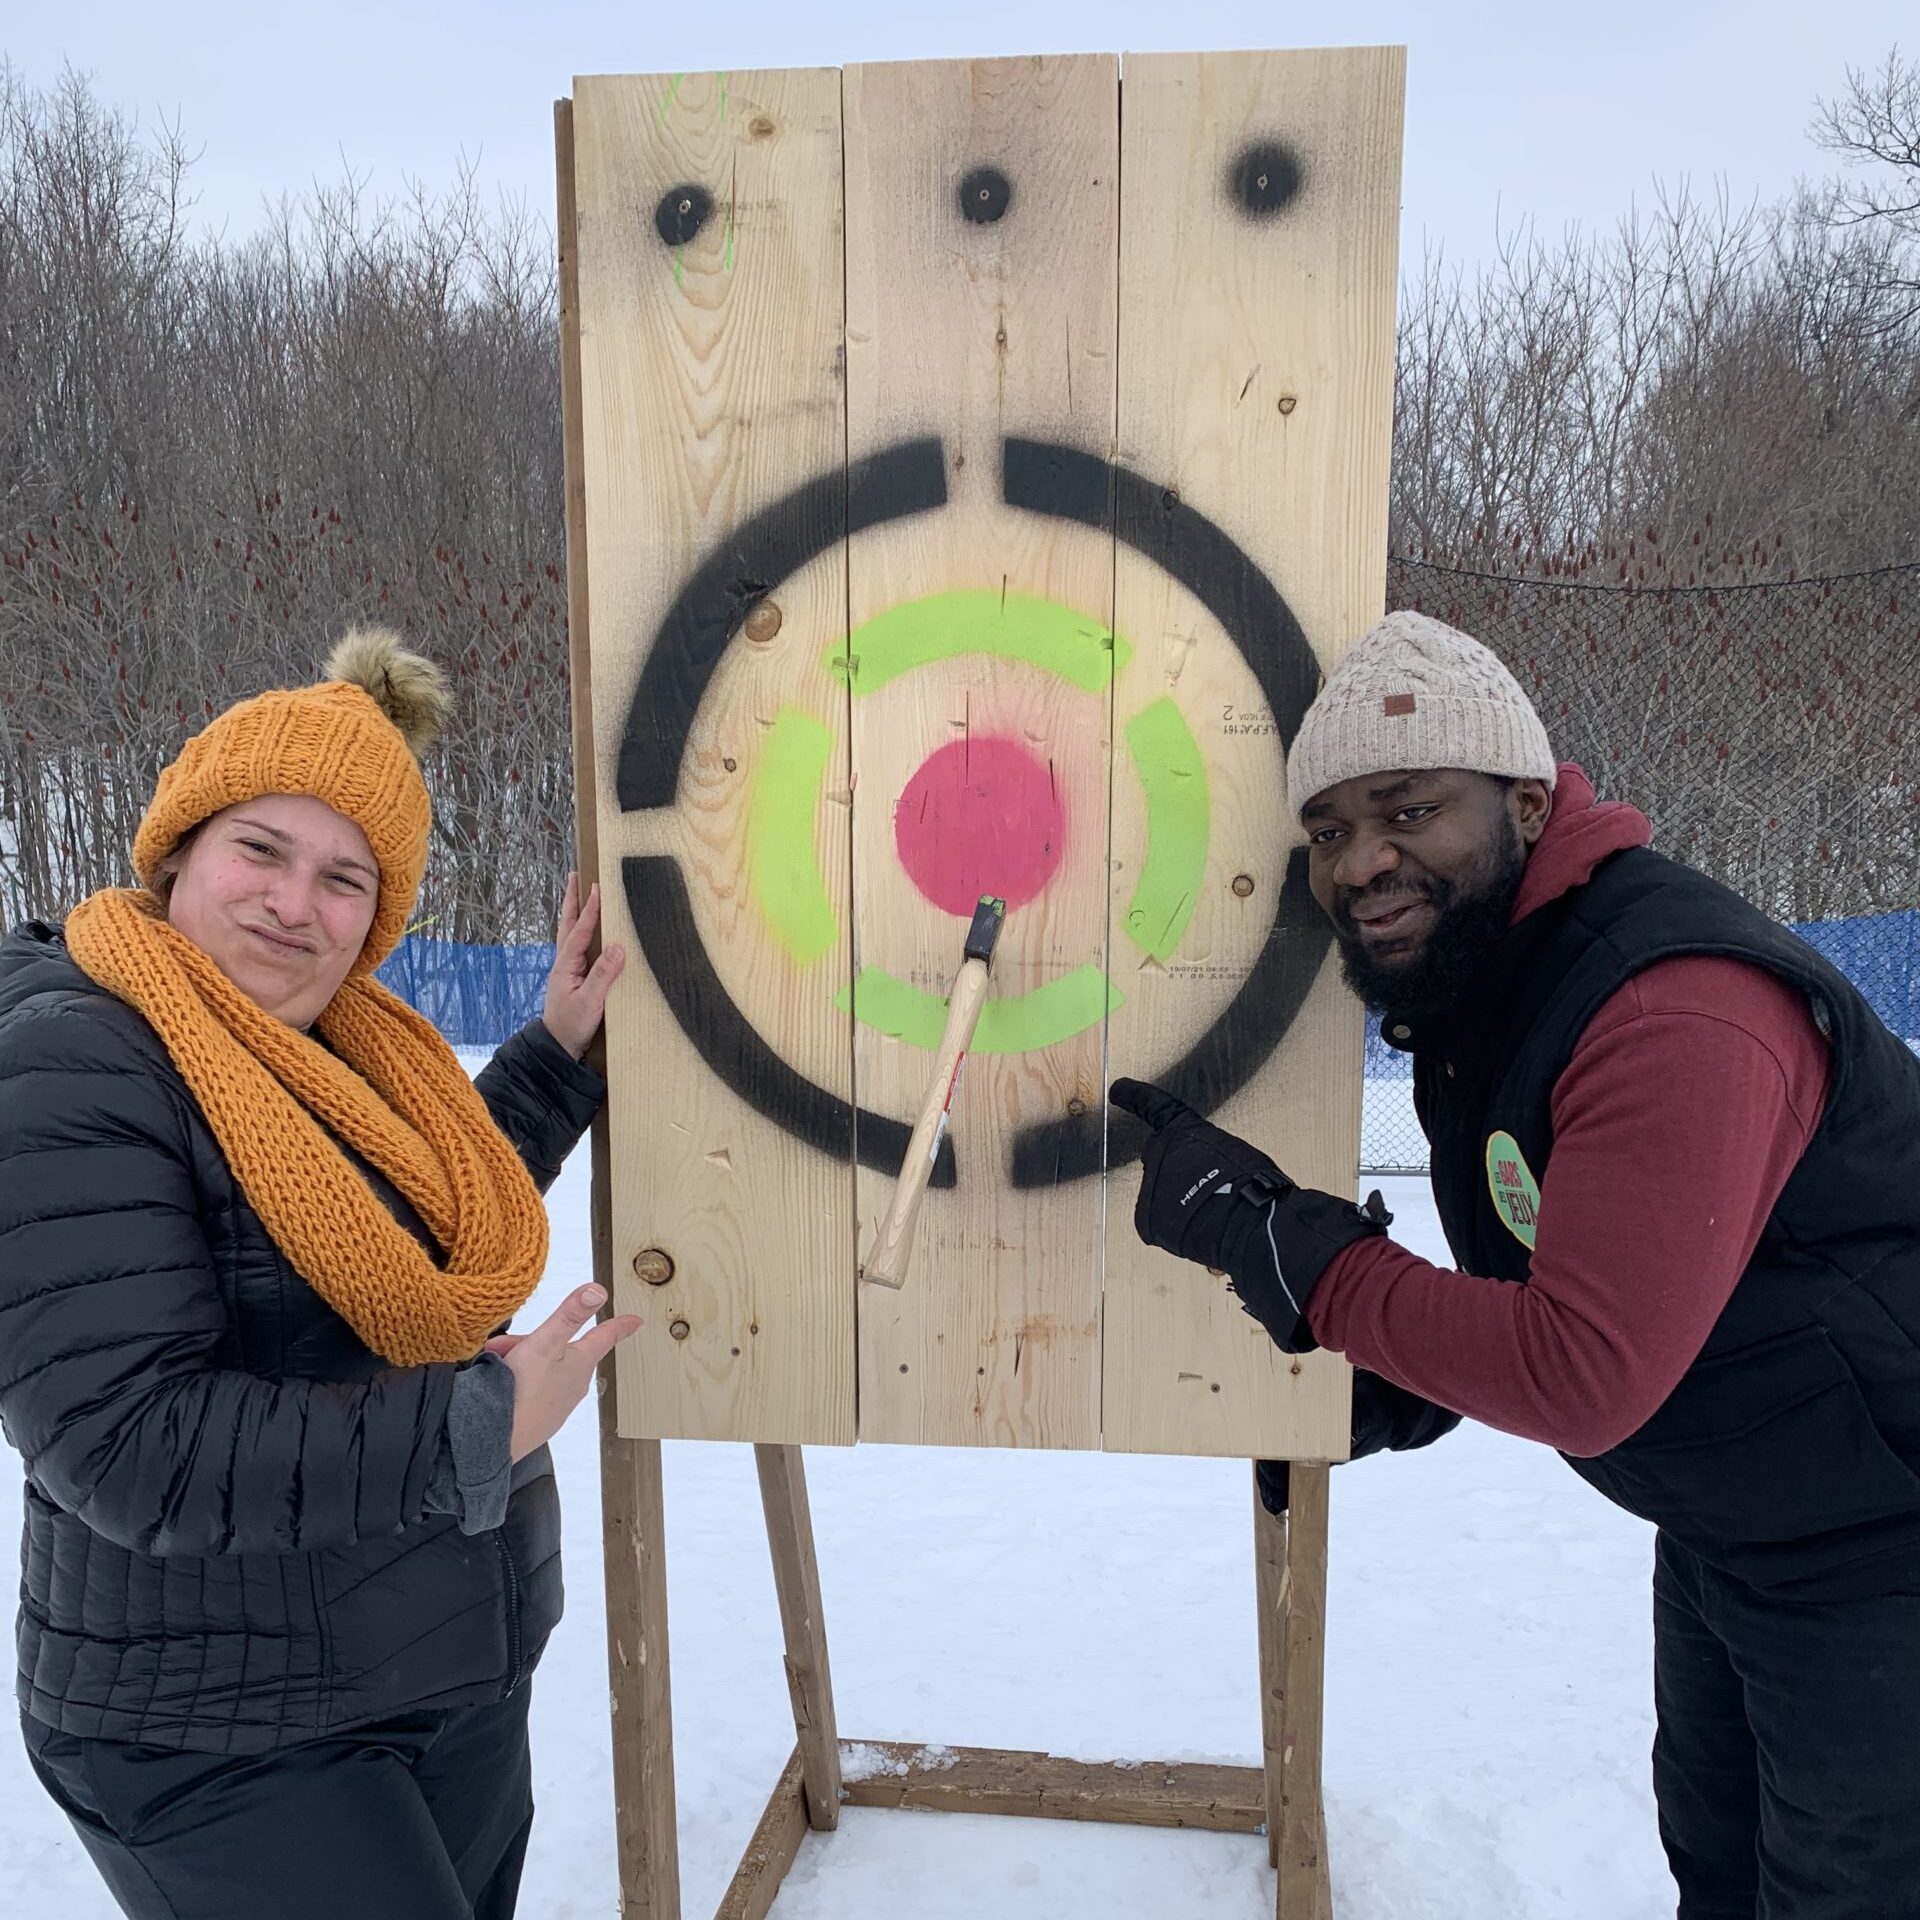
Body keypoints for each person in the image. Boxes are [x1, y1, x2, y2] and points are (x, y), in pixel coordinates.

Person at [1111, 610, 1920, 1920]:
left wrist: (1295, 1250)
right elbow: (1592, 1275)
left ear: (1527, 802)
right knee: (1719, 1870)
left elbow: (1586, 1371)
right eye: (1328, 830)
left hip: (1878, 1556)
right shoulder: (1499, 979)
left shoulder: (1669, 1007)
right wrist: (1410, 1378)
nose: (1363, 859)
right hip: (1745, 1517)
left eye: (1409, 809)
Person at [0, 628, 643, 1920]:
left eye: (345, 879)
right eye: (262, 849)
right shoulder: (72, 1065)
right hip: (222, 1735)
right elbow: (132, 1445)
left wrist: (555, 1060)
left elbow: (385, 1235)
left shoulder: (333, 1044)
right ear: (180, 847)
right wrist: (477, 1423)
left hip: (436, 1674)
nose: (296, 904)